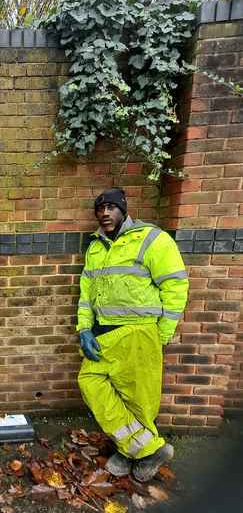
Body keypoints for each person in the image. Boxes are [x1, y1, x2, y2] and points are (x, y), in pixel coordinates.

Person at [77, 187, 189, 482]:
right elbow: (86, 294)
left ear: (124, 210)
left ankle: (129, 453)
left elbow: (176, 286)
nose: (104, 213)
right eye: (99, 209)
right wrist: (85, 328)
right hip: (104, 333)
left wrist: (160, 334)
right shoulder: (96, 247)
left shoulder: (152, 239)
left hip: (139, 334)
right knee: (90, 381)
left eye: (111, 207)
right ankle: (149, 448)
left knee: (139, 400)